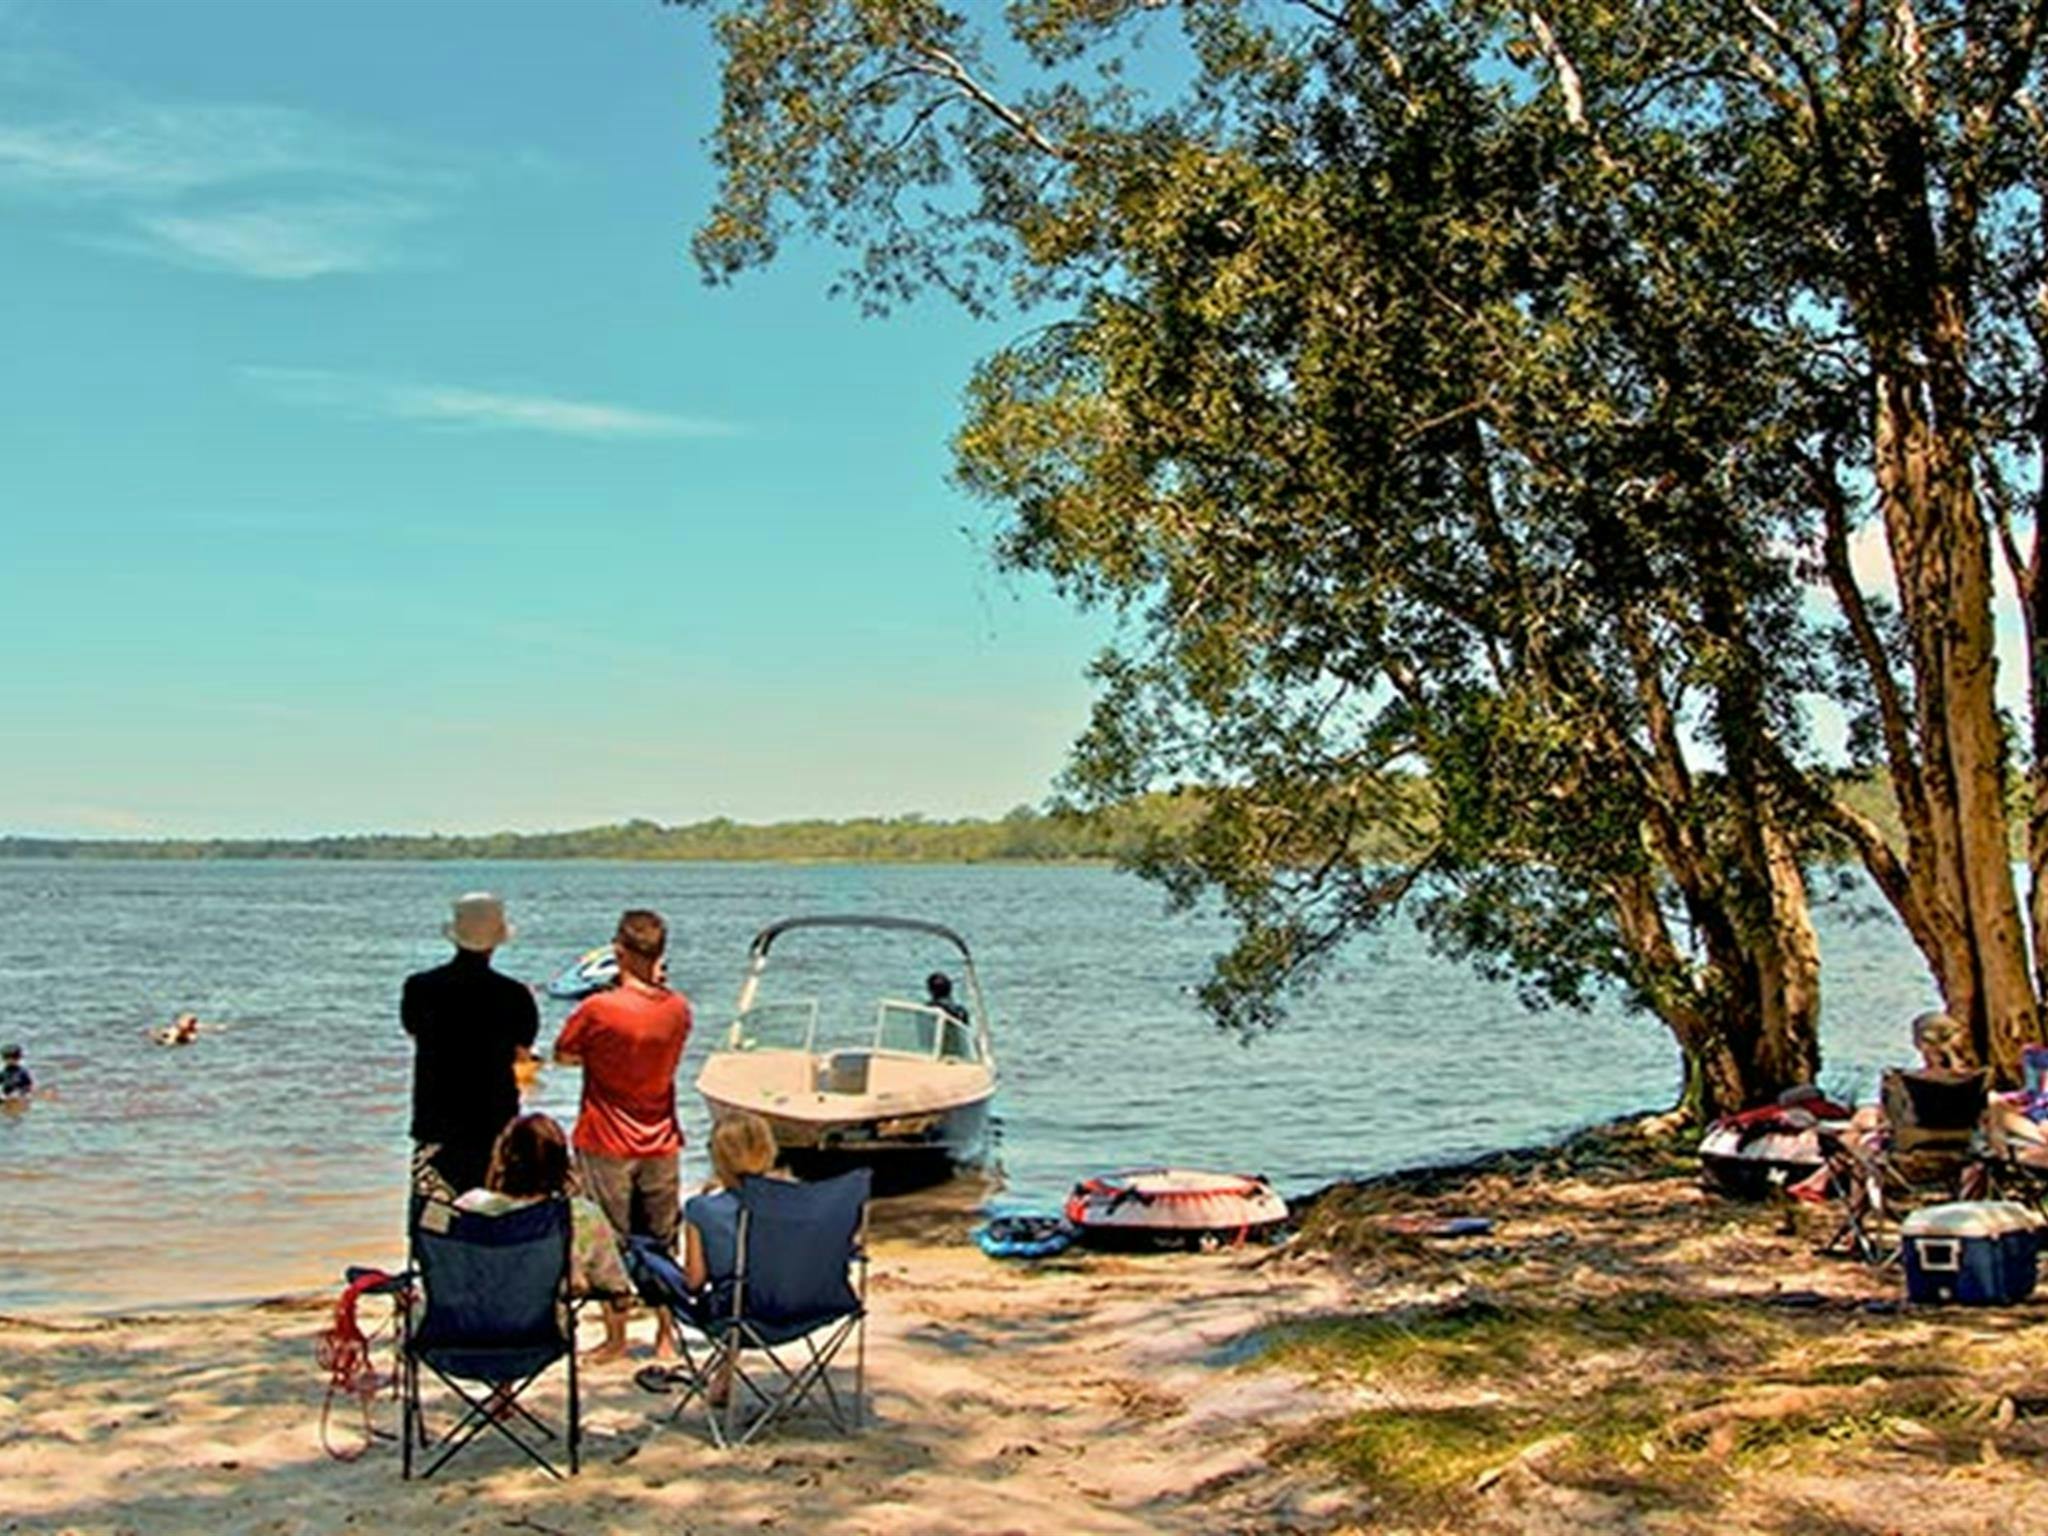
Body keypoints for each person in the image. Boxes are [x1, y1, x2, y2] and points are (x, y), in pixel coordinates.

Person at [553, 908, 692, 1363]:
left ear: (618, 952)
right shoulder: (678, 1009)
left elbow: (564, 1056)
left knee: (607, 1241)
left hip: (605, 1136)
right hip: (662, 1137)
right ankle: (666, 1336)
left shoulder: (598, 1008)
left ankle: (616, 1337)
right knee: (661, 1239)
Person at [454, 1113, 636, 1357]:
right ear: (561, 1162)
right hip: (543, 1333)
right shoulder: (578, 1214)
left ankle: (502, 1390)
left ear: (502, 1158)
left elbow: (445, 1268)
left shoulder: (468, 1207)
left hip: (463, 1334)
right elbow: (614, 1284)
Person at [401, 893, 539, 1200]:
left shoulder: (419, 988)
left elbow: (414, 1034)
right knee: (493, 1220)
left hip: (436, 1123)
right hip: (495, 1123)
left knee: (433, 1220)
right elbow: (522, 1056)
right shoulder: (515, 995)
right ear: (497, 939)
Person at [678, 1111, 785, 1404]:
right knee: (748, 1284)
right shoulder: (797, 1200)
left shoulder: (701, 1209)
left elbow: (694, 1282)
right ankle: (723, 1377)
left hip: (739, 1314)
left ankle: (721, 1379)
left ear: (719, 1159)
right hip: (802, 1307)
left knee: (735, 1292)